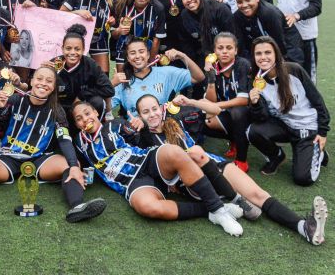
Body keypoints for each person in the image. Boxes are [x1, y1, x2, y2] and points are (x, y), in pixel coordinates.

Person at [134, 94, 328, 245]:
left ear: (161, 108)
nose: (152, 115)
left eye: (154, 109)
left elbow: (215, 109)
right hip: (191, 181)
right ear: (139, 116)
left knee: (258, 194)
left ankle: (304, 228)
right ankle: (234, 200)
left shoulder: (176, 118)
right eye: (145, 112)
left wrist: (190, 100)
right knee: (194, 152)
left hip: (211, 162)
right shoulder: (142, 137)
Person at [0, 66, 107, 224]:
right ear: (32, 81)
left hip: (40, 160)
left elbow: (64, 140)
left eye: (49, 81)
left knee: (71, 165)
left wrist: (73, 165)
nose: (43, 84)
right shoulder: (14, 100)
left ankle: (77, 207)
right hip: (8, 157)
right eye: (39, 79)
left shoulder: (57, 110)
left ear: (54, 87)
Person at [71, 100, 244, 236]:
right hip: (130, 182)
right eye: (79, 119)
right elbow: (75, 160)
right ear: (77, 124)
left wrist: (137, 126)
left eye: (87, 113)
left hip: (145, 160)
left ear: (95, 112)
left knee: (174, 152)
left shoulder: (114, 124)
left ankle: (219, 210)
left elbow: (133, 130)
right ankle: (212, 210)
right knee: (147, 207)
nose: (85, 119)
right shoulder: (79, 142)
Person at [247, 36, 329, 185]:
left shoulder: (294, 70)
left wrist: (322, 132)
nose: (263, 57)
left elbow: (318, 101)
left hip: (306, 127)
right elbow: (262, 117)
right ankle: (276, 156)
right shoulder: (256, 79)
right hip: (284, 125)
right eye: (258, 53)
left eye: (268, 52)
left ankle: (319, 153)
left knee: (302, 179)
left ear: (276, 54)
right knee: (252, 131)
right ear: (253, 56)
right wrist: (255, 103)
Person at [111, 37, 204, 118]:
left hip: (162, 127)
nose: (137, 56)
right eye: (132, 53)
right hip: (135, 130)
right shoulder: (122, 81)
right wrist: (111, 85)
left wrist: (183, 56)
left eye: (141, 52)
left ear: (148, 55)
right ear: (128, 58)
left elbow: (199, 77)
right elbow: (105, 108)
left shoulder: (166, 73)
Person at [44, 24, 114, 129]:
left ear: (83, 50)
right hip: (59, 109)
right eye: (68, 48)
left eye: (77, 49)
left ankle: (94, 131)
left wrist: (82, 95)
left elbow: (109, 90)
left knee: (97, 101)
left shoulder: (90, 64)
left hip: (81, 111)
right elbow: (37, 90)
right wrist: (42, 71)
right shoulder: (54, 64)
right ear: (62, 49)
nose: (72, 52)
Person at [202, 32, 252, 172]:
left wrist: (215, 106)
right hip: (226, 110)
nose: (224, 51)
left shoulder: (242, 64)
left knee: (237, 113)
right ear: (214, 51)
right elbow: (211, 100)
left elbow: (244, 100)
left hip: (249, 113)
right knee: (203, 120)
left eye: (229, 48)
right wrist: (211, 79)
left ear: (236, 50)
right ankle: (234, 140)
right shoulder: (212, 66)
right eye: (220, 48)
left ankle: (242, 160)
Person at [232, 0, 304, 64]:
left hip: (289, 53)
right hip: (264, 55)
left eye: (248, 0)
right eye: (240, 2)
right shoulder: (237, 17)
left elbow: (280, 43)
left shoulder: (269, 13)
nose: (244, 5)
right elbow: (242, 46)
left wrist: (281, 66)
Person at [61, 0, 114, 74]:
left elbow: (114, 20)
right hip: (77, 38)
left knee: (103, 75)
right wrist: (77, 12)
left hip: (99, 39)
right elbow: (61, 14)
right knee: (73, 73)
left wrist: (112, 21)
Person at [112, 0, 166, 72]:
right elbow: (114, 35)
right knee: (123, 82)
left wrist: (149, 62)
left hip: (147, 52)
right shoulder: (121, 5)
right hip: (124, 49)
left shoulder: (158, 8)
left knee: (147, 83)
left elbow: (156, 40)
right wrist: (119, 30)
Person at [178, 0, 234, 67]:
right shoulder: (184, 16)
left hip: (227, 55)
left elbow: (235, 37)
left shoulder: (219, 9)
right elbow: (187, 45)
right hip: (204, 59)